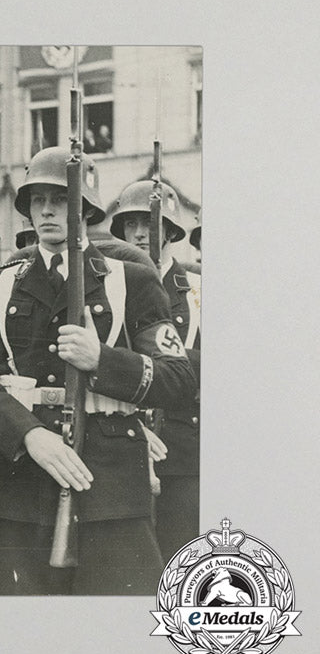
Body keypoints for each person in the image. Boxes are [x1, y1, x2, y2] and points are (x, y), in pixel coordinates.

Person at [0, 146, 196, 595]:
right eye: (37, 199)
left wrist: (102, 361)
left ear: (84, 208)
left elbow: (178, 380)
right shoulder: (3, 283)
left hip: (109, 489)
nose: (47, 209)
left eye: (60, 198)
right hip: (21, 481)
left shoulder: (131, 280)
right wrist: (28, 435)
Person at [109, 180, 201, 560]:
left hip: (179, 447)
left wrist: (171, 363)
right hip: (121, 441)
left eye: (150, 222)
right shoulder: (110, 285)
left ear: (172, 230)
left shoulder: (197, 288)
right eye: (131, 223)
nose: (140, 232)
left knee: (180, 556)